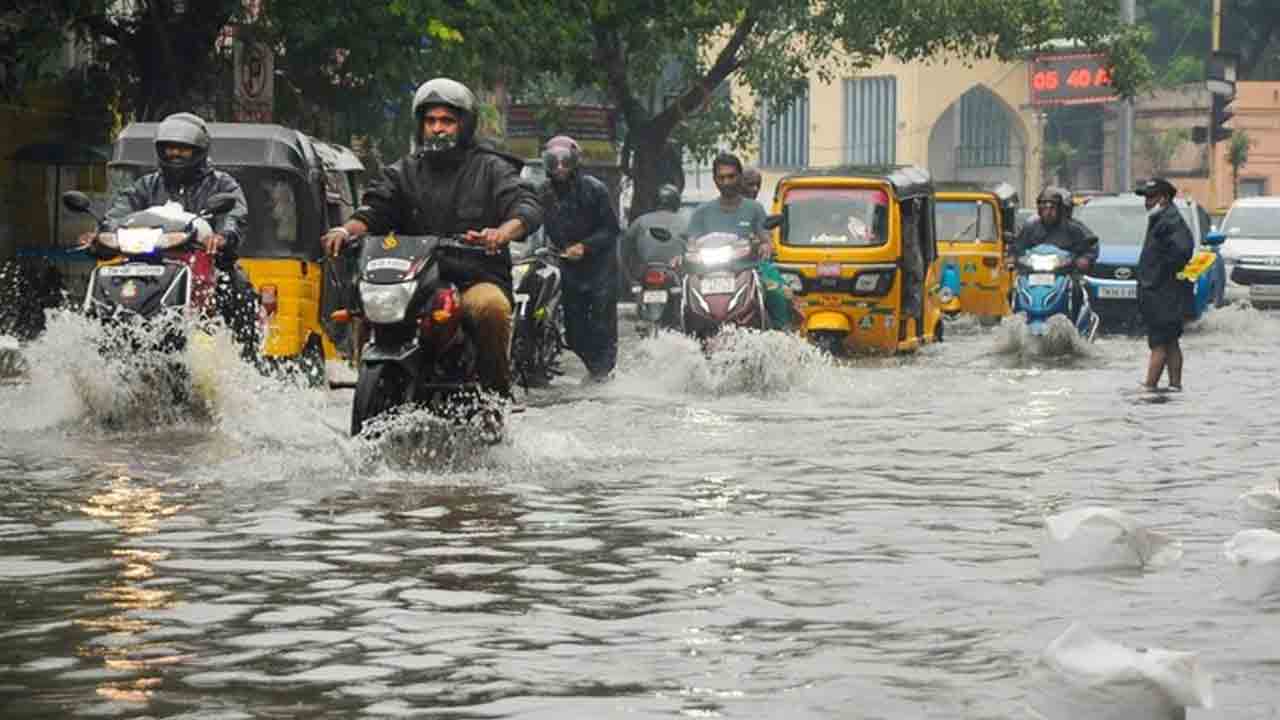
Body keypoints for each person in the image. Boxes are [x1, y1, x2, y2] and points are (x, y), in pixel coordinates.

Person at [321, 77, 542, 402]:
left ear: (465, 125)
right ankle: (367, 374)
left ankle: (496, 397)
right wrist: (344, 231)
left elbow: (525, 205)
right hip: (413, 282)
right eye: (431, 120)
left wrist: (501, 233)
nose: (438, 128)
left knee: (491, 309)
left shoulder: (491, 168)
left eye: (447, 121)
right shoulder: (403, 172)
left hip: (474, 278)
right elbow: (373, 210)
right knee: (368, 307)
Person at [80, 112, 258, 356]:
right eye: (169, 148)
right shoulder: (146, 185)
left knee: (237, 286)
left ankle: (245, 358)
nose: (174, 154)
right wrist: (104, 233)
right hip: (145, 261)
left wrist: (223, 236)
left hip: (205, 262)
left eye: (183, 149)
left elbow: (234, 214)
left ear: (199, 151)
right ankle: (92, 344)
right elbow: (120, 210)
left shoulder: (222, 184)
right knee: (110, 279)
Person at [539, 135, 622, 383]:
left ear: (575, 162)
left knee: (601, 323)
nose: (560, 168)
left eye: (565, 162)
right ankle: (596, 369)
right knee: (573, 333)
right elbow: (530, 219)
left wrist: (585, 247)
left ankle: (604, 374)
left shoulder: (595, 189)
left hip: (600, 268)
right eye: (553, 162)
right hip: (569, 268)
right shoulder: (543, 193)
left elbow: (611, 230)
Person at [685, 153, 793, 329]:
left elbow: (765, 235)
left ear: (740, 177)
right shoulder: (702, 212)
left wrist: (765, 245)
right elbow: (691, 242)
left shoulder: (754, 208)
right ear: (714, 179)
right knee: (681, 294)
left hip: (747, 269)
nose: (726, 182)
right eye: (721, 177)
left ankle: (783, 334)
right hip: (707, 274)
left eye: (731, 176)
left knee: (777, 293)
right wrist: (685, 252)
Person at [1135, 177, 1194, 390]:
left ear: (1165, 198)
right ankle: (1175, 386)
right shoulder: (1162, 219)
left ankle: (1149, 388)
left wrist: (1161, 274)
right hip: (1162, 292)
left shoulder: (1170, 221)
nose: (1147, 202)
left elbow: (1182, 251)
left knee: (1159, 343)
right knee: (1170, 341)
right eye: (1145, 198)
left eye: (1151, 197)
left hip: (1163, 293)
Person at [1011, 185, 1099, 320]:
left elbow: (1091, 244)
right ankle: (1016, 318)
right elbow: (1018, 247)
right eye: (1044, 208)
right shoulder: (1030, 228)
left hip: (1064, 272)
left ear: (1059, 209)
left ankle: (1074, 321)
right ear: (1039, 210)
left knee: (1076, 289)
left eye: (1052, 208)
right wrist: (1013, 257)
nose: (1048, 212)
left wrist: (1085, 259)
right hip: (1033, 273)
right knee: (1012, 289)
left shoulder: (1073, 228)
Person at [620, 183, 687, 282]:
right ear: (676, 202)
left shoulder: (640, 221)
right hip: (675, 272)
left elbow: (625, 246)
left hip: (644, 271)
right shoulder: (684, 222)